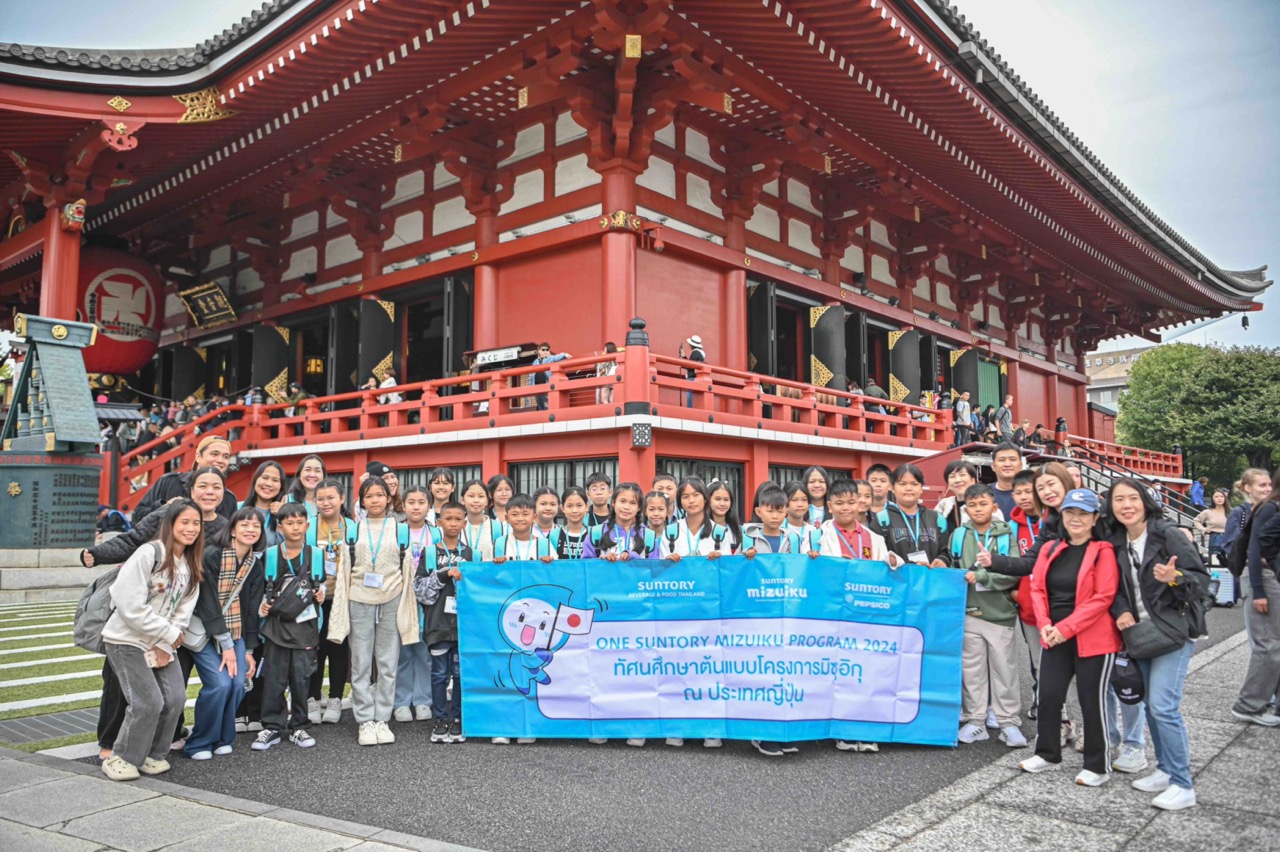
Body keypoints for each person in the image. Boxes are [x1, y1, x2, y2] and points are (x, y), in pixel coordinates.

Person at [1109, 478, 1209, 810]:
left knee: (1164, 706)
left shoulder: (1167, 534)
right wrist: (1122, 611)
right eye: (1119, 499)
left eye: (1132, 498)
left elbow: (1202, 582)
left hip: (1172, 630)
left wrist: (1176, 578)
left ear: (1145, 501)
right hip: (1140, 634)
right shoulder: (1116, 540)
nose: (1126, 505)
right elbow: (1116, 588)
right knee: (1152, 706)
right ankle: (1165, 770)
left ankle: (1183, 783)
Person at [1019, 488, 1121, 787]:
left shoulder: (1103, 550)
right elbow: (1037, 588)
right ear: (1061, 515)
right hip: (1054, 635)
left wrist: (1065, 628)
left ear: (1095, 518)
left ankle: (1098, 765)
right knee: (1049, 695)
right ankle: (1047, 754)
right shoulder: (1051, 548)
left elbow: (1103, 597)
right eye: (1070, 512)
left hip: (1093, 637)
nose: (1076, 518)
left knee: (1092, 701)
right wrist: (1046, 625)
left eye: (1083, 513)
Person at [100, 500, 203, 781]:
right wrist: (168, 634)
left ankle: (153, 754)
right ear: (170, 524)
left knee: (176, 698)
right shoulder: (149, 553)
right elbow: (129, 603)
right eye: (184, 522)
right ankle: (122, 757)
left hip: (161, 641)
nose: (191, 528)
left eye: (196, 523)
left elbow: (183, 612)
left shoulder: (190, 563)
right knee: (147, 702)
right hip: (126, 639)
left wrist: (165, 643)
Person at [329, 477, 420, 747]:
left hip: (392, 598)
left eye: (380, 495)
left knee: (388, 663)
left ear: (388, 498)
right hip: (359, 598)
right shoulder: (353, 531)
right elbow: (344, 573)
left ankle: (382, 718)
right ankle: (365, 720)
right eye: (369, 496)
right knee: (360, 663)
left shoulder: (400, 530)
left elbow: (408, 573)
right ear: (362, 501)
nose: (375, 500)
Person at [819, 479, 895, 754]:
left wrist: (894, 561)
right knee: (840, 673)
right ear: (829, 506)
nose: (846, 508)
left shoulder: (875, 539)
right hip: (834, 614)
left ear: (860, 503)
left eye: (851, 502)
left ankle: (867, 729)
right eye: (839, 503)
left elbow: (887, 567)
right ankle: (843, 731)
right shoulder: (817, 535)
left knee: (867, 672)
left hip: (866, 613)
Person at [185, 507, 264, 760]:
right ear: (232, 529)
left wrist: (248, 650)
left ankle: (223, 737)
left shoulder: (254, 563)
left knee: (238, 684)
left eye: (256, 526)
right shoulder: (212, 555)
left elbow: (251, 608)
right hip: (205, 631)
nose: (250, 530)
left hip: (235, 630)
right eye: (245, 525)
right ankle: (199, 742)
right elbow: (206, 602)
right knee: (219, 684)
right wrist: (226, 644)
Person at [950, 484, 1026, 748]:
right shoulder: (959, 535)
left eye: (983, 504)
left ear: (994, 507)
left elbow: (1014, 571)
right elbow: (953, 567)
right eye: (972, 505)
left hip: (999, 613)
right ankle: (976, 721)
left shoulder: (1006, 534)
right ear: (965, 509)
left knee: (1004, 670)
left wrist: (983, 576)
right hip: (969, 611)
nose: (978, 509)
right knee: (972, 671)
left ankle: (1008, 723)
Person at [250, 503, 324, 752]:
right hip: (276, 626)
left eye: (300, 522)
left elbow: (320, 585)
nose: (295, 528)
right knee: (274, 678)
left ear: (307, 525)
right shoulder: (270, 555)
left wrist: (320, 593)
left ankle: (300, 725)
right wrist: (262, 605)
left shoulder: (315, 554)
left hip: (305, 626)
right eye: (289, 523)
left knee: (301, 678)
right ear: (279, 528)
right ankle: (271, 726)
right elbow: (260, 589)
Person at [414, 500, 471, 744]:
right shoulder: (429, 553)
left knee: (459, 674)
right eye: (448, 519)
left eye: (458, 519)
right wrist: (444, 573)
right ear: (439, 522)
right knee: (439, 673)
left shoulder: (472, 555)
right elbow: (420, 591)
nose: (453, 523)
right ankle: (440, 719)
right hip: (437, 625)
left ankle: (457, 718)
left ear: (465, 523)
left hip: (462, 627)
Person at [1233, 467, 1280, 727]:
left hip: (1266, 577)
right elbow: (1254, 550)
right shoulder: (1269, 508)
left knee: (1273, 644)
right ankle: (1249, 704)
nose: (1266, 489)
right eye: (1262, 485)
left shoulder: (1269, 507)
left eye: (1268, 484)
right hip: (1262, 577)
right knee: (1268, 645)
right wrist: (1258, 590)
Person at [306, 478, 356, 725]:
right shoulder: (309, 526)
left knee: (338, 649)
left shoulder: (352, 526)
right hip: (313, 598)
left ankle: (336, 698)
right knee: (314, 649)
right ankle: (313, 698)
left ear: (342, 499)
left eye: (331, 498)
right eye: (321, 499)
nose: (326, 503)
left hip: (341, 598)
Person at [393, 487, 435, 724]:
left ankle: (423, 700)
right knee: (402, 652)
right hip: (401, 597)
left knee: (424, 651)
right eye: (411, 502)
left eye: (421, 502)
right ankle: (401, 701)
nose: (416, 506)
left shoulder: (436, 533)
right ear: (404, 505)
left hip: (428, 599)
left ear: (429, 506)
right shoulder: (396, 531)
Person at [131, 435, 238, 524]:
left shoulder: (228, 498)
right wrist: (164, 508)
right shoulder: (168, 482)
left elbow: (229, 535)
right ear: (198, 457)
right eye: (214, 454)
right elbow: (137, 517)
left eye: (226, 456)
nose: (220, 460)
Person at [872, 464, 949, 568]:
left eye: (914, 484)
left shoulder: (937, 519)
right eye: (902, 484)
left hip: (930, 577)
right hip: (897, 577)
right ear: (892, 487)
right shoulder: (882, 520)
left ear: (921, 488)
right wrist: (911, 565)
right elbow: (877, 556)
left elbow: (946, 551)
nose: (908, 488)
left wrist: (943, 559)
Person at [242, 461, 286, 547]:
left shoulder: (284, 514)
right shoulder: (237, 508)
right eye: (265, 478)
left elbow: (288, 545)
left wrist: (282, 516)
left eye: (275, 480)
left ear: (281, 486)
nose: (269, 484)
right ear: (255, 480)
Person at [934, 460, 981, 530]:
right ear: (948, 484)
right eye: (952, 476)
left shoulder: (984, 504)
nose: (957, 480)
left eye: (962, 475)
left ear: (973, 480)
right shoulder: (943, 505)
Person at [1192, 489, 1230, 564]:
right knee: (1215, 562)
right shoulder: (1208, 512)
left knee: (1230, 563)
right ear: (1212, 499)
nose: (1219, 498)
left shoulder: (1231, 511)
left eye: (1221, 496)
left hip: (1229, 538)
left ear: (1225, 498)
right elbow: (1196, 520)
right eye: (1216, 497)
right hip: (1215, 538)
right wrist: (1203, 529)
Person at [531, 342, 570, 410]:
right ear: (539, 351)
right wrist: (531, 386)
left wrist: (564, 355)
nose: (545, 351)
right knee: (539, 403)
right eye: (543, 350)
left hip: (546, 384)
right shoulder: (535, 362)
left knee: (547, 403)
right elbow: (531, 375)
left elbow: (556, 357)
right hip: (536, 386)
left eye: (547, 350)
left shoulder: (550, 358)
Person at [990, 443, 1023, 521]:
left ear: (1021, 465)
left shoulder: (1032, 494)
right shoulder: (983, 493)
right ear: (993, 466)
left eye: (1012, 459)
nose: (1007, 464)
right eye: (1002, 460)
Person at [680, 336, 705, 408]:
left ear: (691, 345)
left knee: (690, 397)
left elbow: (690, 366)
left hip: (692, 377)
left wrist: (682, 364)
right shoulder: (699, 353)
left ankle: (690, 409)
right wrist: (684, 356)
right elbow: (691, 364)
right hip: (696, 377)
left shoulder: (695, 353)